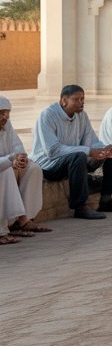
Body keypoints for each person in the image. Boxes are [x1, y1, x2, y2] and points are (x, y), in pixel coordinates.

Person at [30, 84, 112, 219]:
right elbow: (53, 151)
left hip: (76, 161)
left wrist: (104, 149)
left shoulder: (81, 115)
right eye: (76, 99)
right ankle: (80, 207)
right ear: (63, 101)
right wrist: (89, 151)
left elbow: (92, 141)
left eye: (82, 99)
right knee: (78, 156)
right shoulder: (47, 116)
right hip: (49, 165)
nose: (81, 103)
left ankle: (106, 200)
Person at [0, 95, 49, 243]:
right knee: (6, 171)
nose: (5, 117)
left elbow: (17, 146)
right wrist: (10, 160)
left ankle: (24, 220)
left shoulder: (6, 125)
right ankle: (2, 230)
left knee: (33, 168)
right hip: (4, 167)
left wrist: (20, 158)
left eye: (7, 113)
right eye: (1, 113)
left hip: (7, 162)